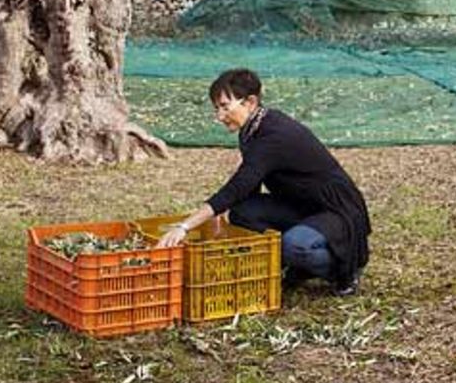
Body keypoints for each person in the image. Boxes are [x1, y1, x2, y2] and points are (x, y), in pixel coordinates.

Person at [158, 68, 371, 295]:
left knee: (294, 245)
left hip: (335, 209)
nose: (219, 116)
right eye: (216, 108)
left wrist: (185, 226)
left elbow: (238, 185)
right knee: (242, 212)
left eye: (225, 106)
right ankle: (289, 262)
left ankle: (344, 271)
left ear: (250, 102)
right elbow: (248, 186)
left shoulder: (274, 136)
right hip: (301, 204)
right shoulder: (252, 128)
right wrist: (222, 220)